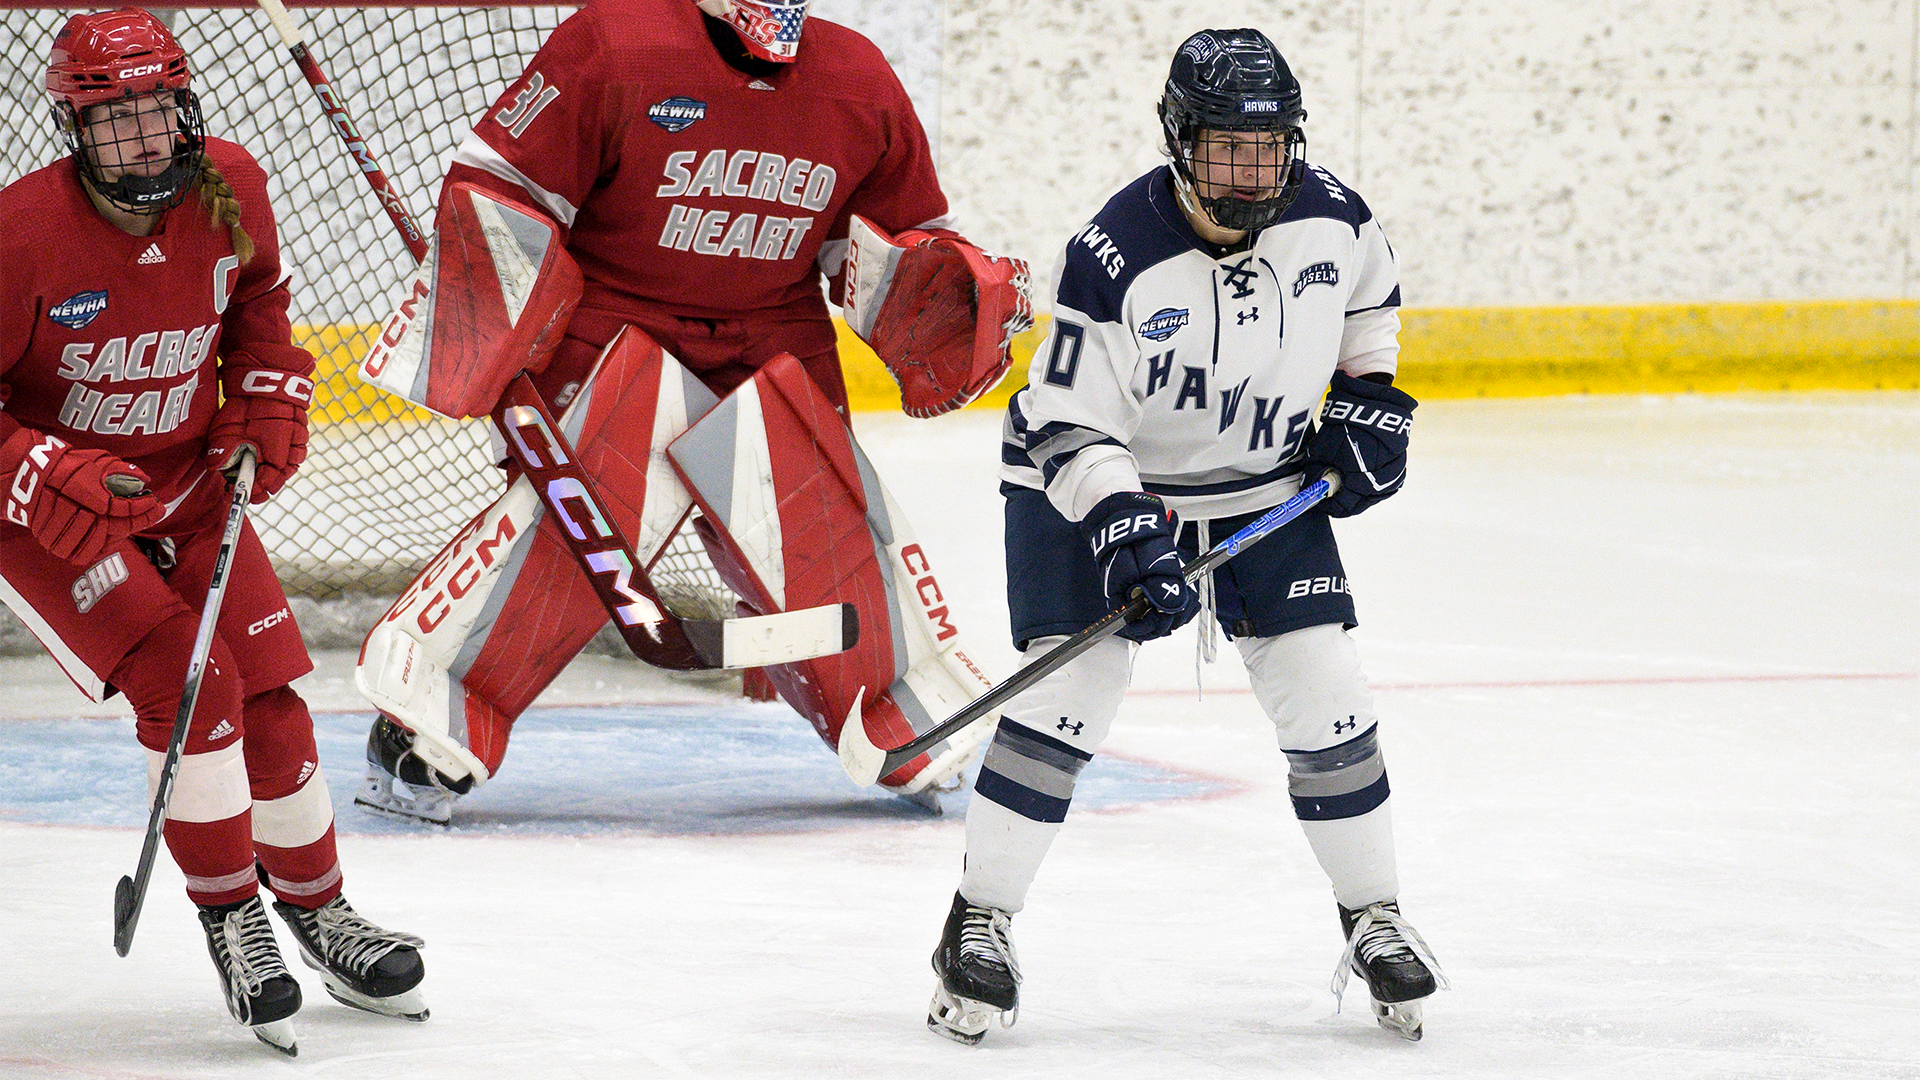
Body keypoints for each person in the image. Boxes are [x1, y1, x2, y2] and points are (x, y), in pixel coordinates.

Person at [354, 0, 1028, 825]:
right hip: (613, 331)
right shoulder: (614, 41)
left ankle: (901, 709)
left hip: (772, 338)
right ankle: (433, 714)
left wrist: (948, 292)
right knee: (579, 528)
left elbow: (893, 242)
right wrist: (493, 315)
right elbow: (501, 185)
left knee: (829, 536)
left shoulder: (857, 79)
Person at [923, 27, 1445, 1046]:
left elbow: (1370, 303)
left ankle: (1375, 915)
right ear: (1179, 142)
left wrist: (1370, 401)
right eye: (1226, 151)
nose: (1254, 175)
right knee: (1068, 701)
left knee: (1327, 695)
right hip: (1094, 480)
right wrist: (1125, 529)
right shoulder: (1115, 252)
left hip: (1263, 488)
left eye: (1271, 149)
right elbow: (1068, 422)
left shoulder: (1335, 217)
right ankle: (978, 923)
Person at [0, 8, 426, 1055]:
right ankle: (233, 916)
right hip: (56, 513)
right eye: (116, 119)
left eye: (159, 109)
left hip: (190, 486)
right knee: (193, 687)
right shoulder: (16, 236)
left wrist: (270, 394)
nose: (144, 136)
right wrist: (40, 466)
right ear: (72, 129)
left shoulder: (231, 184)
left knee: (272, 686)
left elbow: (260, 308)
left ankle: (319, 912)